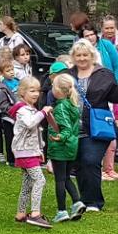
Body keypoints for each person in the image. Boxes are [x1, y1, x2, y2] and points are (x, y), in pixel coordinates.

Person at [68, 39, 118, 211]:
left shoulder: (104, 74)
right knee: (79, 163)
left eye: (85, 55)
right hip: (73, 127)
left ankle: (94, 202)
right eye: (78, 55)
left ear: (92, 56)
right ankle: (85, 199)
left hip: (96, 127)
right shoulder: (68, 75)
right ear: (73, 57)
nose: (82, 58)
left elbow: (115, 97)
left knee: (91, 160)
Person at [10, 76, 52, 228]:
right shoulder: (23, 110)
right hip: (24, 151)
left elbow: (36, 134)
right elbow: (30, 124)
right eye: (32, 90)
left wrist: (39, 150)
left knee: (27, 184)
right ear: (22, 92)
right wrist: (43, 112)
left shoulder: (30, 109)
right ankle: (35, 214)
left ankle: (20, 213)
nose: (36, 94)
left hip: (30, 151)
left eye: (38, 91)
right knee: (40, 180)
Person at [45, 72, 85, 223]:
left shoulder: (61, 107)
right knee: (66, 177)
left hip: (61, 147)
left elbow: (66, 128)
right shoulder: (71, 104)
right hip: (71, 147)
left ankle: (61, 210)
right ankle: (77, 201)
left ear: (59, 90)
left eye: (53, 86)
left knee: (59, 179)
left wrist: (59, 137)